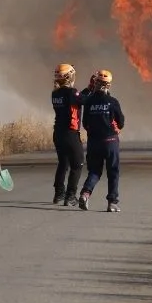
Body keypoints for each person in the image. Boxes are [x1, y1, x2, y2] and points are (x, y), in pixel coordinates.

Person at [78, 69, 125, 212]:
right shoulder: (113, 102)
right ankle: (112, 203)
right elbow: (121, 122)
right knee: (113, 172)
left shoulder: (89, 102)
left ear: (95, 83)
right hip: (111, 142)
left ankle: (85, 194)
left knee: (94, 171)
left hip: (94, 143)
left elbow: (85, 123)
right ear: (108, 85)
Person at [51, 63, 86, 206]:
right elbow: (84, 100)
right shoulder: (71, 93)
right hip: (70, 134)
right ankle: (70, 196)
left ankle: (59, 194)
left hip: (58, 133)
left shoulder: (55, 93)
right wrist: (92, 89)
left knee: (63, 163)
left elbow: (79, 98)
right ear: (68, 77)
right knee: (77, 164)